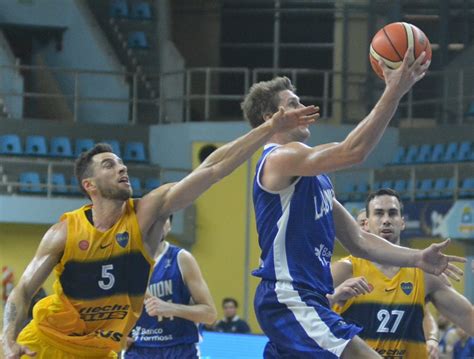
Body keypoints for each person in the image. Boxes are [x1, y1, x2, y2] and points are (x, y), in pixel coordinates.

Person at [2, 106, 319, 359]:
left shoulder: (146, 214)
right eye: (109, 165)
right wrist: (7, 340)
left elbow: (212, 169)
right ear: (90, 185)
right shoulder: (65, 232)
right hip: (45, 342)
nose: (122, 168)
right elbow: (23, 290)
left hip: (99, 352)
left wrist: (268, 129)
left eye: (122, 163)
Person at [242, 47, 466, 358]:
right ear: (270, 118)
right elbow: (353, 151)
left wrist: (417, 258)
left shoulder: (315, 179)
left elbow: (359, 240)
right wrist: (394, 91)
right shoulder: (279, 158)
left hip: (308, 298)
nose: (303, 107)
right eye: (292, 104)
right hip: (288, 297)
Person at [332, 189, 474, 359]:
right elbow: (305, 315)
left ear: (402, 222)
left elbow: (468, 317)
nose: (386, 220)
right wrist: (333, 297)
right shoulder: (345, 269)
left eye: (392, 213)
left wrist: (433, 339)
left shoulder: (425, 273)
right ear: (366, 223)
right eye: (378, 214)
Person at [125, 215, 216, 358]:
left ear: (170, 226)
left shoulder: (182, 258)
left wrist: (171, 308)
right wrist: (119, 336)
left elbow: (210, 315)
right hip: (139, 349)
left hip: (179, 349)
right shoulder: (125, 261)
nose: (158, 225)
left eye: (163, 219)